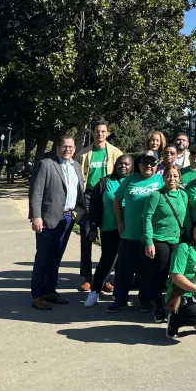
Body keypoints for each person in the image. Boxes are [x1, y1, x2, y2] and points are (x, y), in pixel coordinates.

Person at [28, 135, 86, 310]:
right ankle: (37, 295)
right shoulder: (46, 164)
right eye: (64, 146)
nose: (67, 149)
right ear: (58, 148)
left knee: (56, 257)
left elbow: (79, 192)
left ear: (74, 149)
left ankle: (50, 290)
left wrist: (79, 213)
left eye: (70, 147)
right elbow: (36, 192)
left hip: (68, 218)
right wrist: (36, 216)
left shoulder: (76, 167)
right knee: (43, 257)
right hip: (48, 218)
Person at [107, 150, 164, 313]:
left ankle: (145, 300)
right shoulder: (130, 180)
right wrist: (119, 221)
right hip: (129, 233)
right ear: (139, 165)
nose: (148, 166)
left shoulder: (161, 181)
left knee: (147, 271)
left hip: (150, 236)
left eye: (152, 163)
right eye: (145, 163)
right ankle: (120, 299)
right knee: (124, 269)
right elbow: (117, 200)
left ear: (157, 166)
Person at [76, 120, 124, 293]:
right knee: (88, 235)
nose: (100, 134)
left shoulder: (116, 153)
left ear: (108, 133)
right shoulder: (83, 154)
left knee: (109, 237)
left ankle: (105, 278)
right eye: (97, 131)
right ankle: (87, 278)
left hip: (109, 196)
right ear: (93, 132)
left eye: (103, 131)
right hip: (89, 196)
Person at [84, 153, 134, 307]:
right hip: (109, 228)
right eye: (120, 163)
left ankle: (119, 294)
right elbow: (94, 207)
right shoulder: (105, 182)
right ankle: (95, 291)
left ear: (132, 167)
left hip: (130, 231)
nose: (123, 166)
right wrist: (92, 227)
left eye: (127, 164)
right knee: (107, 261)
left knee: (124, 264)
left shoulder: (135, 182)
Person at [142, 164, 188, 323]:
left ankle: (172, 304)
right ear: (163, 177)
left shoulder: (183, 195)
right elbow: (147, 218)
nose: (172, 179)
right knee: (159, 274)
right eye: (169, 176)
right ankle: (158, 308)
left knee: (176, 275)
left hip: (177, 241)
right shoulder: (156, 195)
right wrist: (149, 242)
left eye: (175, 176)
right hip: (159, 240)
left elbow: (186, 219)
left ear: (179, 178)